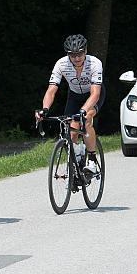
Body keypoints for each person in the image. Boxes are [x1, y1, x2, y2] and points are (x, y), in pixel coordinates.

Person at [35, 34, 105, 177]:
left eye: (79, 54)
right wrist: (44, 109)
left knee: (86, 120)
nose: (77, 58)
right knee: (71, 129)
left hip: (93, 95)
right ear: (68, 55)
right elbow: (51, 90)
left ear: (85, 51)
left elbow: (95, 93)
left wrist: (84, 111)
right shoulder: (61, 64)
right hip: (74, 96)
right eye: (73, 55)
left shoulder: (94, 63)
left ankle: (92, 160)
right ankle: (75, 159)